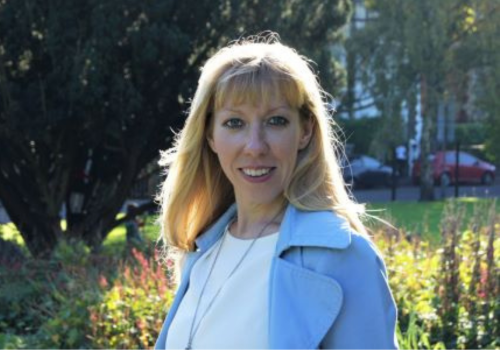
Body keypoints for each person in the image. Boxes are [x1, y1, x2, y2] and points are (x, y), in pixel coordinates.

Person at [155, 34, 398, 349]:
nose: (255, 146)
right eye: (234, 123)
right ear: (210, 135)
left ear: (305, 131)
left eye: (276, 121)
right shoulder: (202, 253)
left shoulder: (344, 258)